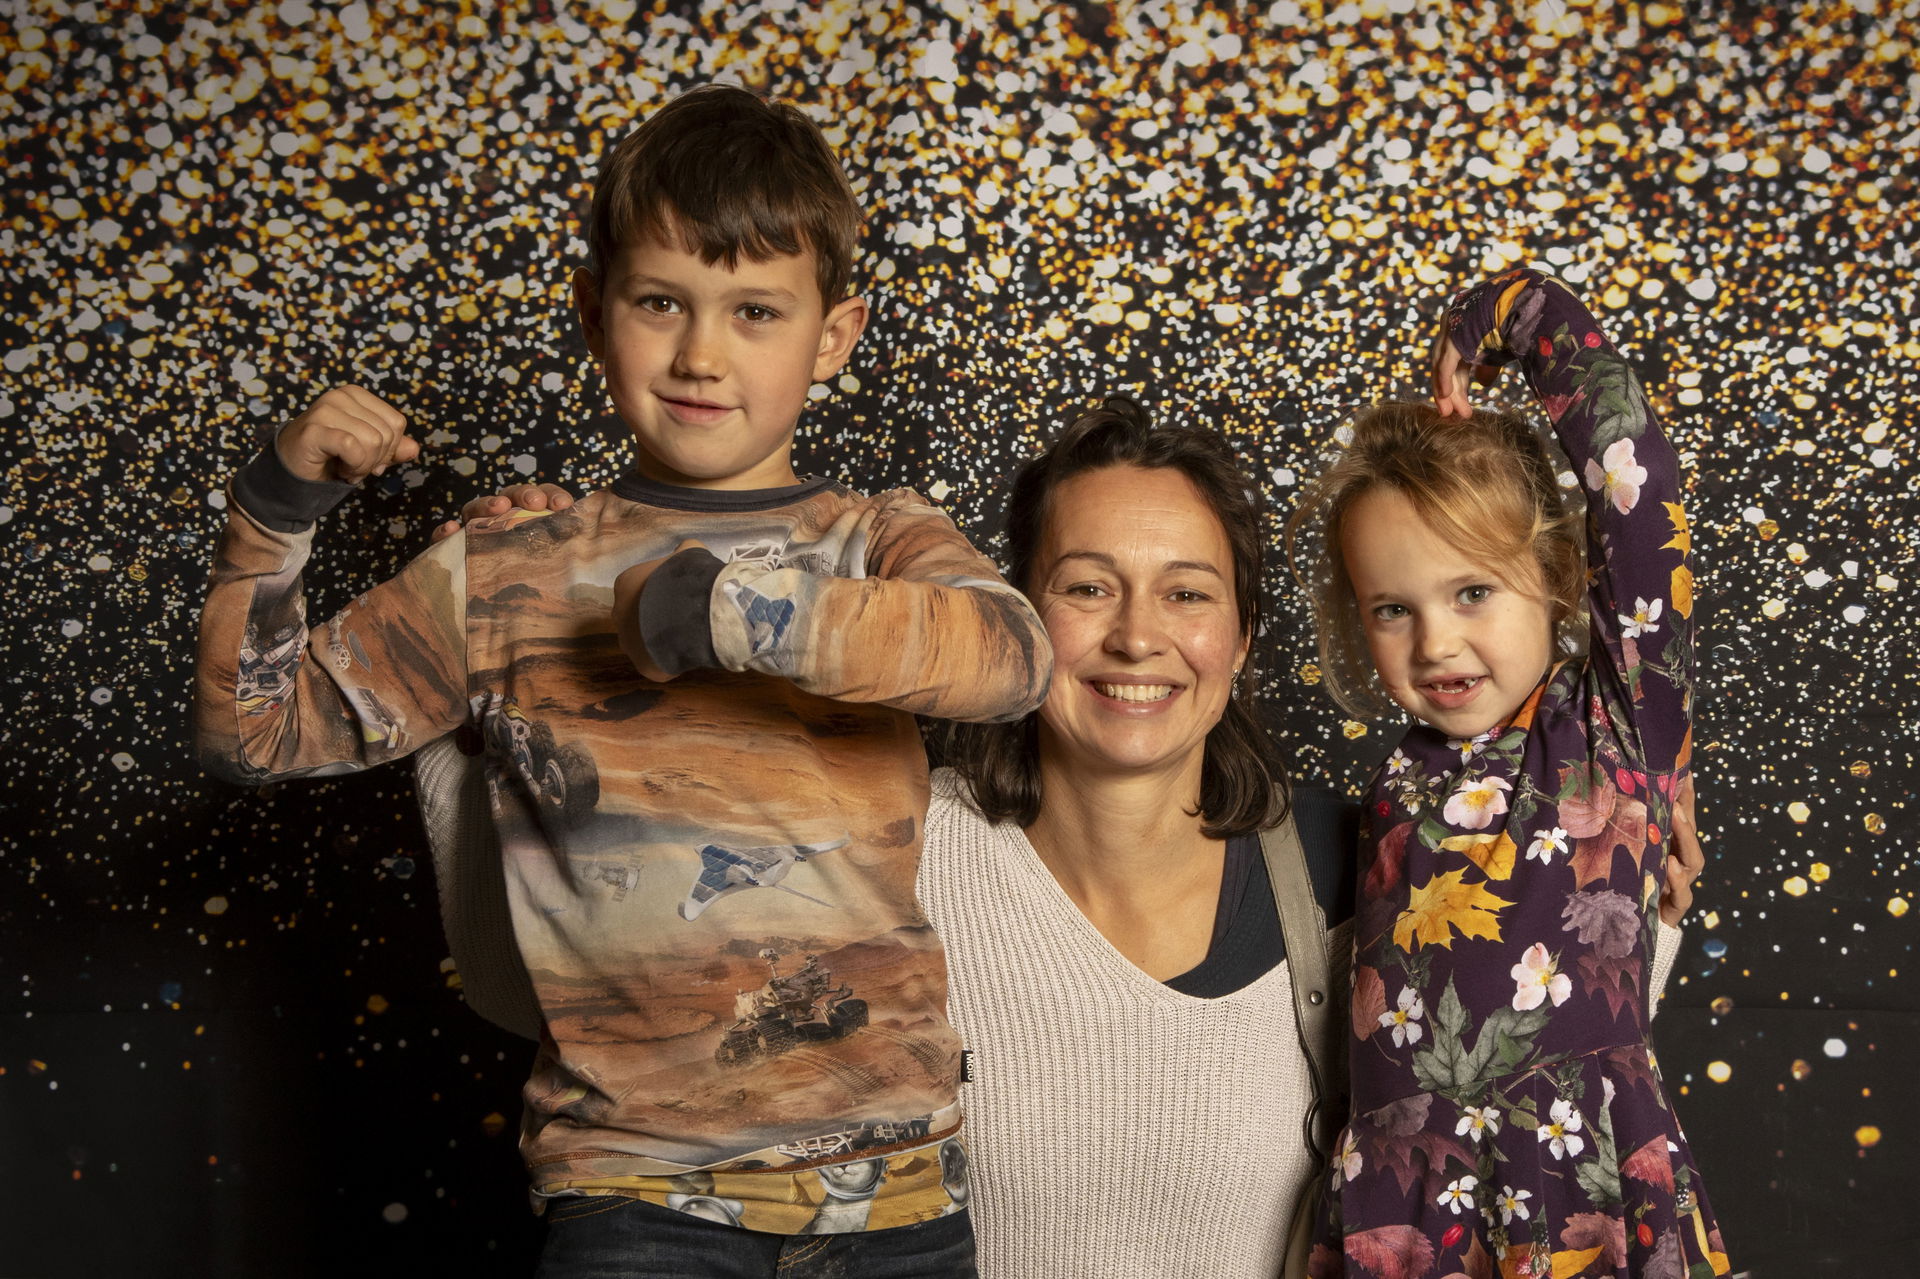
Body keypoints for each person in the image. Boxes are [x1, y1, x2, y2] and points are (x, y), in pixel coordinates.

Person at [462, 393, 1701, 1278]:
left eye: (1187, 592)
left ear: (1244, 637)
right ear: (1014, 618)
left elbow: (1547, 1035)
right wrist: (526, 639)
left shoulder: (1354, 858)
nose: (1136, 636)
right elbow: (562, 979)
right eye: (1088, 586)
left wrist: (1643, 873)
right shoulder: (896, 846)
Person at [194, 83, 1056, 1277]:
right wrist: (277, 513)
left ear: (834, 334)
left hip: (894, 1200)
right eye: (663, 303)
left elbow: (1011, 657)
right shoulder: (508, 567)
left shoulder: (877, 541)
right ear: (597, 313)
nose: (703, 354)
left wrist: (734, 609)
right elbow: (256, 730)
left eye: (757, 311)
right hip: (635, 1197)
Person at [1287, 271, 1727, 1277]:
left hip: (1578, 1191)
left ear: (1562, 578)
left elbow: (1638, 479)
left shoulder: (1618, 725)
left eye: (1473, 590)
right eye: (1392, 607)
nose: (1435, 638)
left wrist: (1501, 320)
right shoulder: (1399, 782)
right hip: (1405, 1204)